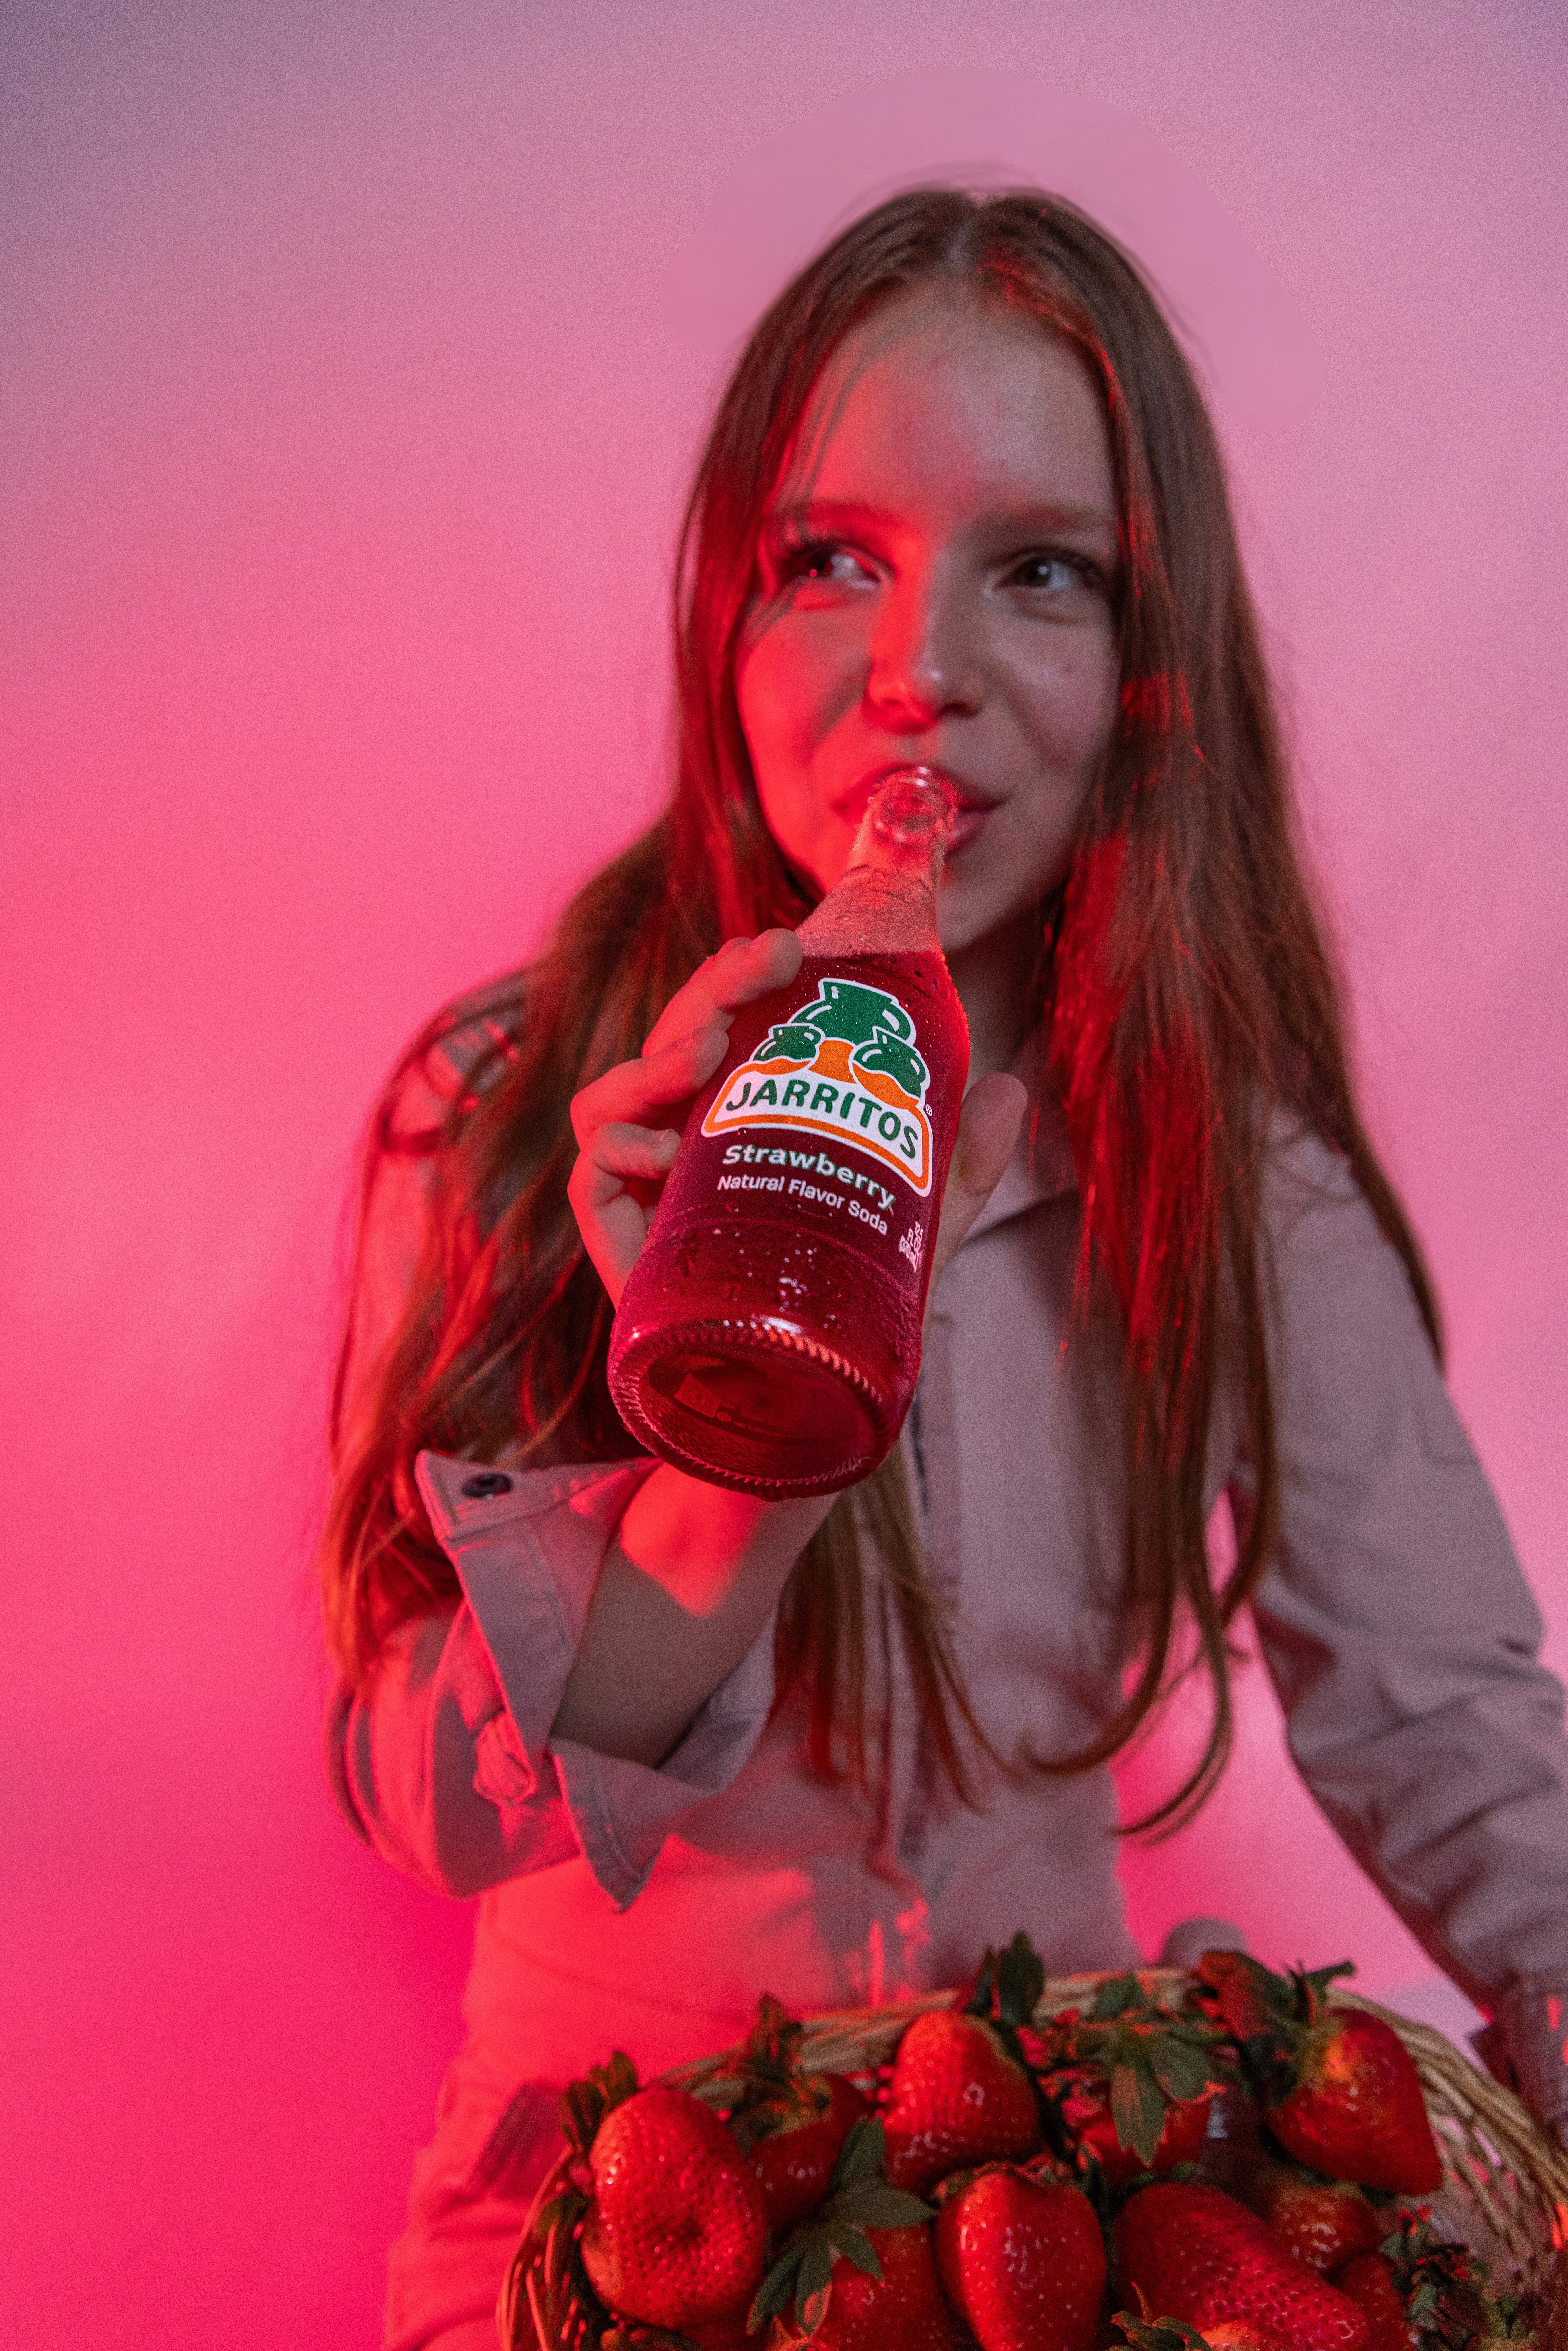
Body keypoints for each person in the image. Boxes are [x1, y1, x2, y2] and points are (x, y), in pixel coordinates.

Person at [318, 188, 1568, 2351]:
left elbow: (1443, 1707)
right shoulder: (519, 1105)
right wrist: (721, 1469)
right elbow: (407, 1795)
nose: (921, 672)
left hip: (1046, 2209)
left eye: (1040, 571)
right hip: (607, 2224)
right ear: (726, 613)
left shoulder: (1224, 1172)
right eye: (833, 563)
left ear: (1145, 673)